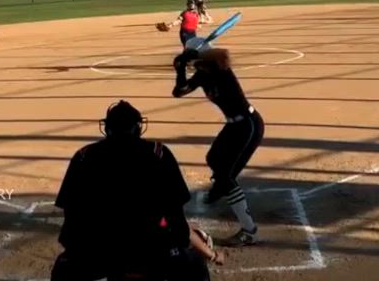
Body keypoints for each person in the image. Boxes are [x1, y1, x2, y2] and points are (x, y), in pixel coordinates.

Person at [51, 101, 209, 281]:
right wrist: (184, 244)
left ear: (107, 128)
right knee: (195, 264)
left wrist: (77, 250)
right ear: (138, 128)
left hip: (99, 254)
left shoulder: (84, 156)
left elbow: (71, 219)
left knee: (63, 270)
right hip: (152, 253)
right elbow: (176, 218)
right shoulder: (159, 153)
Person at [172, 47, 264, 247]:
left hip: (248, 124)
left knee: (225, 175)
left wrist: (197, 53)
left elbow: (224, 54)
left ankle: (250, 231)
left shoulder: (222, 70)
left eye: (199, 62)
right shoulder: (201, 76)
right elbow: (179, 91)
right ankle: (221, 188)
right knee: (213, 158)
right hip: (234, 125)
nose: (197, 66)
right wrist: (180, 69)